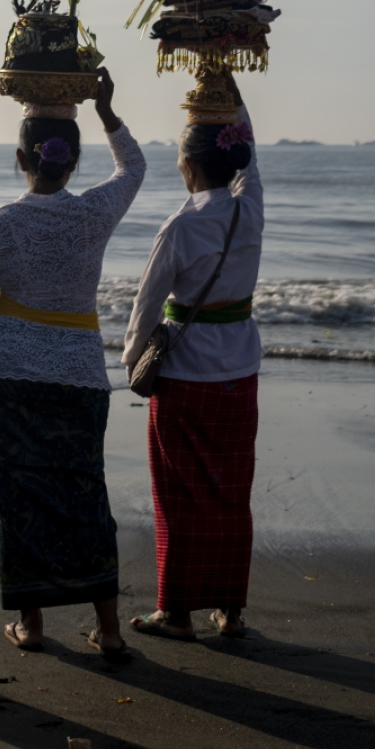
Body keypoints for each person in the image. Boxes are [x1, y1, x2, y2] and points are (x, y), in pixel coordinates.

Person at [0, 69, 146, 662]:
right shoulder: (94, 213)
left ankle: (33, 624)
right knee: (84, 493)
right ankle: (110, 628)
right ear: (74, 160)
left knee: (14, 499)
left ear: (21, 157)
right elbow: (135, 169)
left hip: (5, 373)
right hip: (79, 374)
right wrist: (107, 111)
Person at [122, 75, 262, 641]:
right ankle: (229, 609)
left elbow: (146, 307)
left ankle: (176, 612)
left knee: (178, 494)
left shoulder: (181, 225)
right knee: (231, 491)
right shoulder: (248, 209)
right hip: (239, 370)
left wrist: (133, 362)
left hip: (183, 374)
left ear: (187, 165)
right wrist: (229, 86)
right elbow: (253, 156)